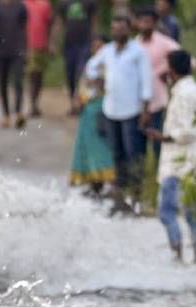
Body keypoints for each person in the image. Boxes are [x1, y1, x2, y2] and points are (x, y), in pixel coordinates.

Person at [144, 50, 196, 264]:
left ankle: (178, 256)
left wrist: (163, 137)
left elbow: (187, 131)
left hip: (180, 163)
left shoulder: (184, 94)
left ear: (171, 70)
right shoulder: (192, 90)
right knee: (192, 212)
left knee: (167, 211)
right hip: (193, 161)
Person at [87, 15, 152, 210]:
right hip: (111, 110)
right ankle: (121, 196)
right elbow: (91, 67)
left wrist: (145, 109)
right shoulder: (107, 51)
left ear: (129, 31)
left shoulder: (138, 52)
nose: (117, 33)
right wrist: (97, 79)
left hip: (131, 111)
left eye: (121, 29)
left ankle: (137, 194)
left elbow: (146, 82)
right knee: (117, 153)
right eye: (114, 29)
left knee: (133, 153)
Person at [69, 35, 115, 194]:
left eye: (100, 45)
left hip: (101, 106)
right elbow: (83, 83)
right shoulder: (91, 63)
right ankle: (94, 182)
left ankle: (108, 180)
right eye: (94, 45)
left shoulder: (110, 63)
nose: (97, 49)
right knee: (87, 145)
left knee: (102, 145)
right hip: (87, 108)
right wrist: (78, 99)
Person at [133, 6, 180, 161]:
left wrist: (167, 72)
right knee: (137, 145)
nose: (145, 25)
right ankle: (139, 179)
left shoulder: (165, 43)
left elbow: (188, 61)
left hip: (157, 101)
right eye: (142, 21)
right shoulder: (133, 45)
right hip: (137, 104)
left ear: (155, 23)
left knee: (158, 144)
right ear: (136, 23)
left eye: (148, 22)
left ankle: (158, 175)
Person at [0, 0, 29, 129]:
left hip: (18, 50)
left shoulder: (21, 6)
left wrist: (26, 48)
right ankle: (6, 115)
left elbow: (25, 28)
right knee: (2, 83)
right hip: (1, 50)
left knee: (18, 81)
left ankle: (19, 112)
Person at [57, 0, 97, 115]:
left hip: (84, 42)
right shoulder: (63, 3)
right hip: (69, 43)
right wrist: (54, 41)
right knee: (70, 74)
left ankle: (81, 103)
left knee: (81, 73)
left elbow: (94, 22)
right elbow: (59, 23)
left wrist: (95, 40)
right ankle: (72, 103)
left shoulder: (89, 2)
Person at [24, 0, 53, 118]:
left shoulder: (45, 4)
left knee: (39, 76)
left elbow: (50, 24)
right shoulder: (24, 4)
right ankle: (32, 104)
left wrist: (50, 42)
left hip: (42, 46)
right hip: (28, 45)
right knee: (32, 75)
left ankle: (35, 102)